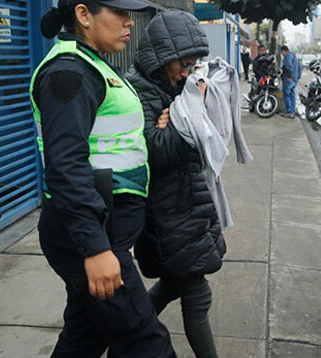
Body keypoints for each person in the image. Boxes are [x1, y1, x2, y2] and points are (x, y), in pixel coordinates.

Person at [30, 1, 176, 357]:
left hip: (103, 227)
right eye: (120, 14)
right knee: (146, 341)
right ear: (83, 15)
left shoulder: (92, 65)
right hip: (92, 233)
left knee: (85, 336)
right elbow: (65, 167)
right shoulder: (69, 73)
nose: (130, 23)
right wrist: (95, 248)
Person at [126, 10, 226, 358]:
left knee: (172, 285)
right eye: (182, 63)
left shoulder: (171, 86)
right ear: (162, 57)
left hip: (183, 203)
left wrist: (183, 117)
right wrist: (185, 124)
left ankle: (124, 337)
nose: (187, 71)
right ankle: (127, 337)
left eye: (193, 63)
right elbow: (152, 150)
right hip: (165, 212)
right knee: (197, 295)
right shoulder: (139, 90)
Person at [280, 45, 301, 118]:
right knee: (292, 94)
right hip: (294, 80)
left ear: (283, 51)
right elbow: (300, 67)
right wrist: (298, 77)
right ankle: (293, 110)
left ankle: (290, 112)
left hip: (288, 79)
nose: (282, 55)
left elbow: (288, 66)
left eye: (282, 53)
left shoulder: (287, 56)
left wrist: (289, 77)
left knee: (286, 95)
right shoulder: (295, 56)